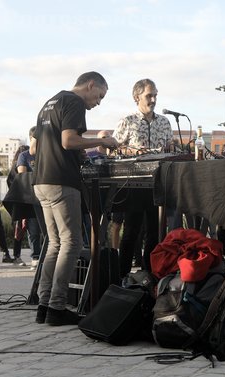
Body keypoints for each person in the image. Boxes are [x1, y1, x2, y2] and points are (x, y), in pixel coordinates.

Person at [32, 71, 119, 326]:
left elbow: (39, 147)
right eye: (99, 96)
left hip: (42, 181)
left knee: (55, 244)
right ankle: (57, 308)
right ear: (90, 85)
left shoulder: (50, 102)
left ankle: (44, 305)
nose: (98, 102)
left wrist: (81, 156)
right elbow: (69, 141)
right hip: (61, 181)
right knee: (72, 242)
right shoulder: (74, 102)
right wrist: (101, 141)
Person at [113, 78, 172, 277]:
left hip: (158, 184)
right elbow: (114, 150)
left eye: (155, 94)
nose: (154, 99)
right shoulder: (127, 121)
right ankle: (121, 275)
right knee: (131, 231)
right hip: (135, 184)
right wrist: (131, 151)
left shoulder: (165, 122)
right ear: (137, 97)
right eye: (149, 95)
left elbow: (170, 148)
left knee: (155, 234)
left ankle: (151, 275)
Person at [16, 128, 43, 270]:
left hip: (45, 196)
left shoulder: (45, 154)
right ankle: (35, 257)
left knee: (46, 230)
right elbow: (22, 176)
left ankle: (46, 257)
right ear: (32, 137)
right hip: (30, 198)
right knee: (33, 230)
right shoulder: (24, 156)